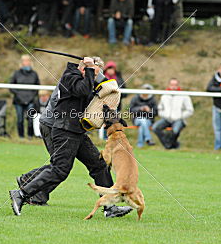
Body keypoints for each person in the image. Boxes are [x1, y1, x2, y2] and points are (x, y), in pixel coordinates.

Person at [9, 57, 133, 218]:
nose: (95, 77)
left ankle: (109, 207)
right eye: (95, 73)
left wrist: (96, 72)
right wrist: (90, 68)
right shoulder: (70, 76)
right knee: (60, 169)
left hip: (76, 131)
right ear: (84, 69)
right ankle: (22, 193)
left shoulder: (84, 77)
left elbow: (104, 86)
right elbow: (83, 90)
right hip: (64, 130)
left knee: (99, 165)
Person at [152, 78, 193, 149]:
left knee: (175, 130)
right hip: (166, 119)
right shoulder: (164, 96)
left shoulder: (184, 96)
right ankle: (172, 145)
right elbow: (160, 109)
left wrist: (180, 116)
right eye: (172, 85)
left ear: (178, 85)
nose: (173, 86)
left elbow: (190, 110)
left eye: (175, 85)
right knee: (155, 127)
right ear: (169, 85)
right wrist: (165, 115)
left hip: (179, 119)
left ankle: (169, 146)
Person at [10, 54, 40, 139]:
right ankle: (21, 137)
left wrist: (31, 98)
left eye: (28, 60)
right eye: (24, 61)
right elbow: (11, 86)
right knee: (20, 119)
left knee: (30, 119)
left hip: (30, 100)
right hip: (18, 100)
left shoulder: (34, 74)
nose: (26, 62)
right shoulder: (16, 73)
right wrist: (19, 96)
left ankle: (30, 136)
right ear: (22, 62)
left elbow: (37, 88)